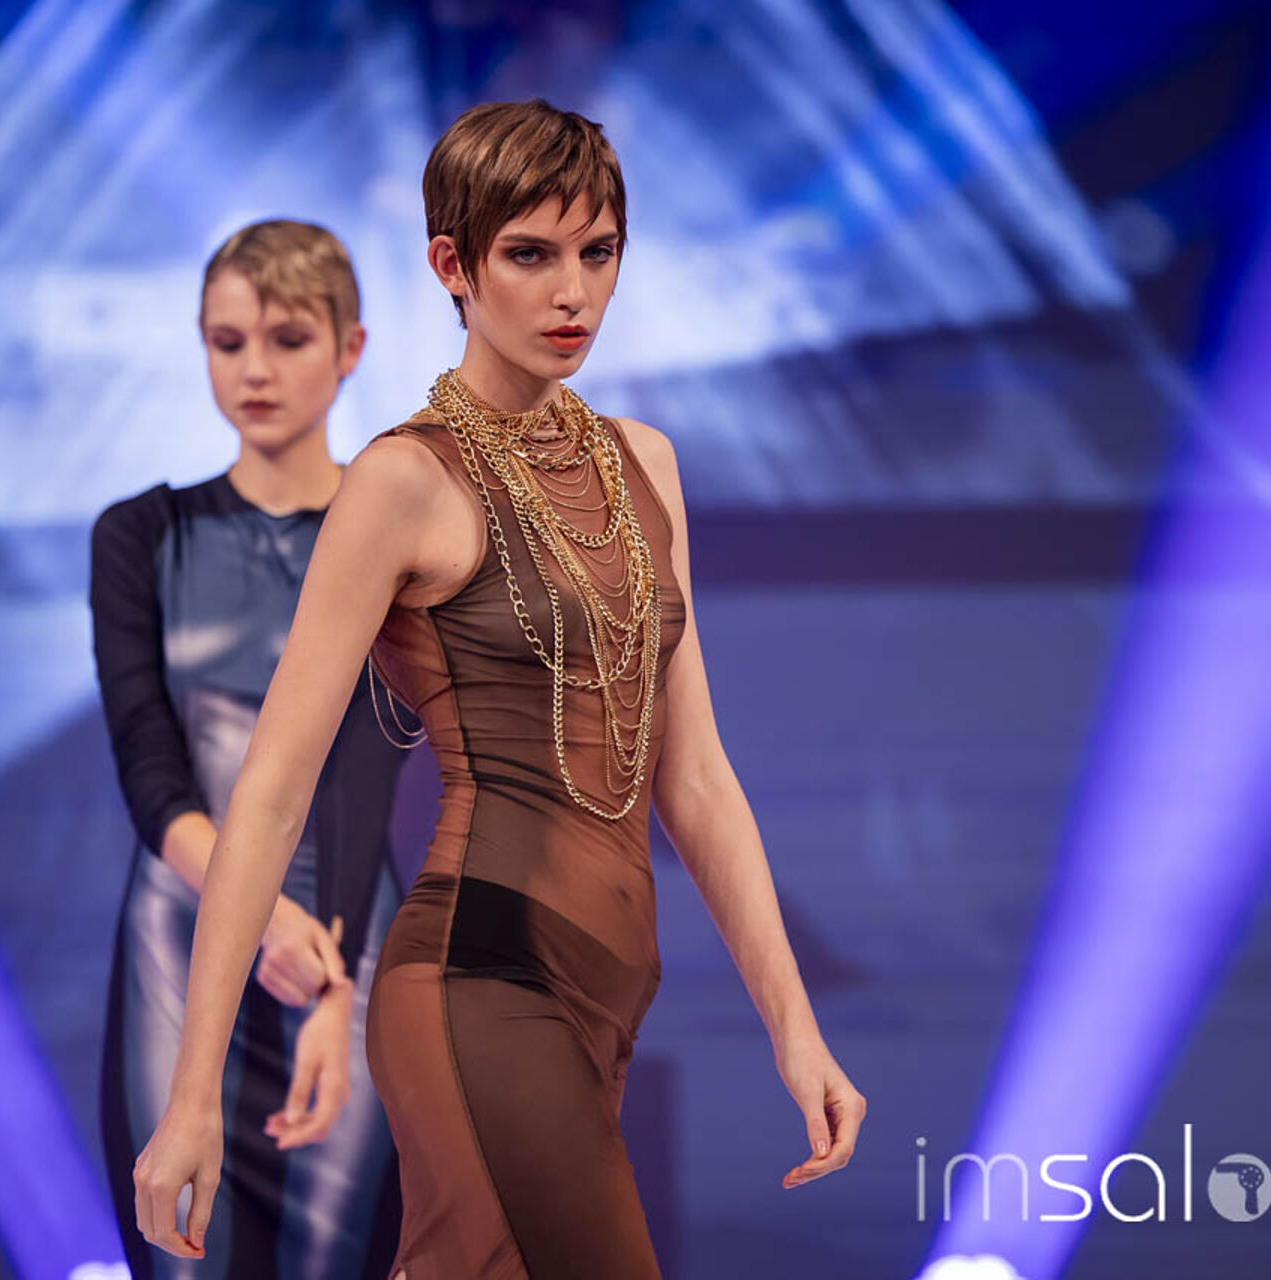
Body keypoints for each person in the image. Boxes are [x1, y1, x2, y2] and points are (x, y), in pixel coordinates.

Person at [132, 101, 867, 1279]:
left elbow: (694, 776)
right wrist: (193, 1092)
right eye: (529, 253)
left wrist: (796, 1028)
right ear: (453, 265)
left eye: (598, 251)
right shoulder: (401, 481)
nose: (571, 291)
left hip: (606, 993)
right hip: (480, 978)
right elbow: (271, 790)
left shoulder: (645, 463)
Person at [89, 219, 409, 1279]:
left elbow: (367, 766)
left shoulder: (398, 528)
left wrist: (335, 972)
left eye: (288, 339)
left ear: (351, 348)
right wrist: (256, 910)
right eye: (229, 343)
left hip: (349, 932)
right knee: (182, 1250)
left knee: (338, 1254)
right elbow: (149, 764)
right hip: (180, 930)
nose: (255, 370)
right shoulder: (141, 534)